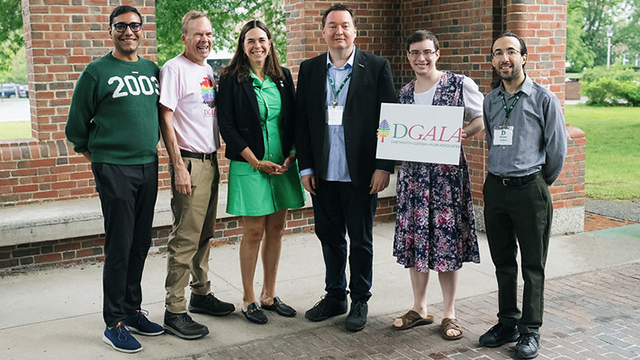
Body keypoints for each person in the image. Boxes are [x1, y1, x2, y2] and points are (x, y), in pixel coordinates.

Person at [65, 5, 164, 353]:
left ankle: (133, 310)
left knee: (140, 243)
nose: (129, 32)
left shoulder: (152, 70)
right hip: (114, 168)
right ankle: (114, 322)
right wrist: (101, 163)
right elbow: (76, 128)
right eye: (121, 26)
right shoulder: (96, 72)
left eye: (134, 26)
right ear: (110, 31)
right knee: (119, 245)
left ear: (142, 30)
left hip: (147, 165)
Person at [295, 3, 396, 332]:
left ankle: (360, 299)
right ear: (322, 31)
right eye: (332, 26)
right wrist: (305, 167)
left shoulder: (376, 67)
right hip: (323, 174)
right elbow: (303, 123)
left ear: (355, 31)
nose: (339, 31)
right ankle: (335, 294)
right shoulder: (309, 70)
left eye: (345, 26)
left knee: (361, 240)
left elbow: (388, 121)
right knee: (328, 236)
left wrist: (383, 166)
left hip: (362, 174)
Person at [479, 32, 567, 359]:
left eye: (511, 52)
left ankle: (530, 330)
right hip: (496, 189)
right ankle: (507, 322)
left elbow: (557, 149)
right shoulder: (490, 100)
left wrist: (538, 183)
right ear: (492, 60)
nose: (504, 58)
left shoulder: (544, 99)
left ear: (523, 57)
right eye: (498, 53)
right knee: (503, 261)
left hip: (530, 189)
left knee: (533, 264)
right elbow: (492, 141)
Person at [391, 30, 483, 340]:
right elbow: (391, 131)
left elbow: (480, 119)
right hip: (414, 180)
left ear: (437, 53)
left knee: (446, 243)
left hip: (446, 179)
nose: (422, 58)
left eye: (427, 52)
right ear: (408, 56)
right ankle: (419, 308)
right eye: (415, 52)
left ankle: (449, 313)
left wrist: (463, 134)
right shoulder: (403, 94)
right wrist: (385, 139)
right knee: (418, 241)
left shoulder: (459, 84)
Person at [217, 20, 305, 325]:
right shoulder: (230, 79)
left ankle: (269, 294)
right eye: (250, 41)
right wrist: (256, 161)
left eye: (262, 40)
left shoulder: (282, 78)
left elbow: (293, 119)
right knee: (253, 232)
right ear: (242, 46)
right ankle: (249, 298)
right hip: (250, 165)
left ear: (270, 44)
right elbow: (226, 126)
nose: (257, 46)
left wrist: (293, 153)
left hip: (281, 164)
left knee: (276, 231)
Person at [159, 10, 234, 340]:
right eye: (197, 34)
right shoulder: (174, 68)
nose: (204, 39)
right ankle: (174, 310)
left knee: (204, 233)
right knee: (185, 238)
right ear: (184, 38)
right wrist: (178, 166)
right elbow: (166, 118)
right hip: (189, 162)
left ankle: (200, 294)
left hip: (211, 161)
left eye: (208, 34)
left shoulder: (205, 69)